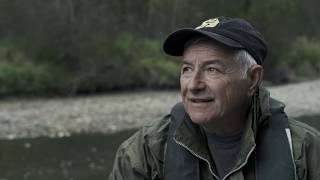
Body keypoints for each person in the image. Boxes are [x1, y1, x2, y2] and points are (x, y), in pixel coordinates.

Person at [108, 17, 320, 180]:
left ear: (253, 78)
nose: (193, 85)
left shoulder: (304, 151)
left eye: (212, 69)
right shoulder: (145, 152)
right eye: (187, 69)